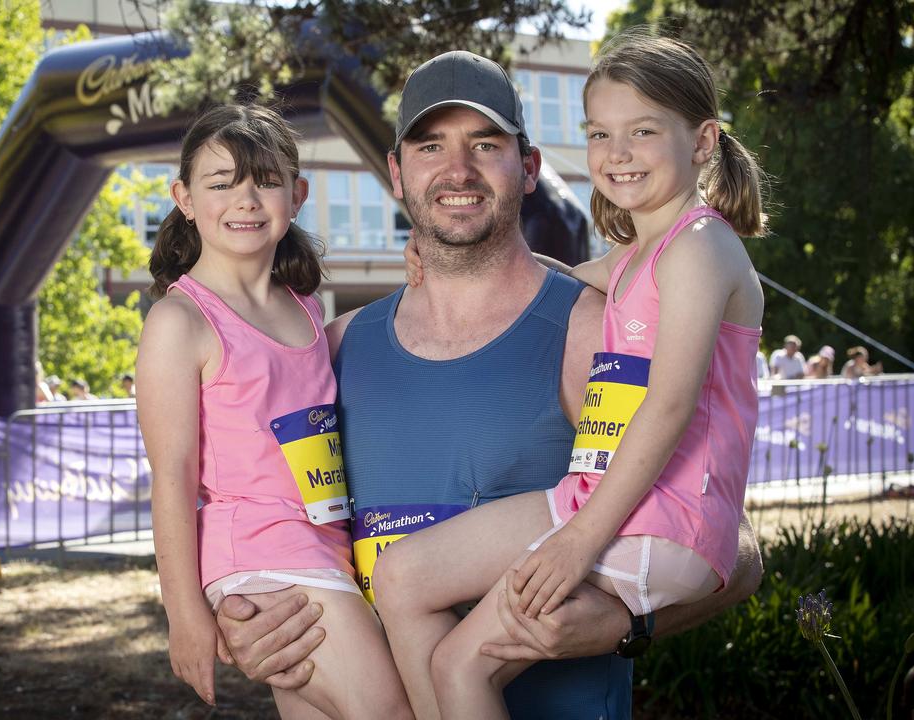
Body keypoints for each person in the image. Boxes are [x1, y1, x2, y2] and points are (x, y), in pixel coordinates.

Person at [216, 49, 762, 719]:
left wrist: (628, 625)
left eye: (485, 143)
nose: (457, 170)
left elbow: (728, 543)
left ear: (529, 167)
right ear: (395, 171)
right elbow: (258, 521)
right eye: (429, 146)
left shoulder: (592, 327)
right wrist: (233, 617)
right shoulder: (330, 352)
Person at [369, 34, 767, 718]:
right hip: (603, 502)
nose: (617, 152)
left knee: (462, 665)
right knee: (403, 579)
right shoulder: (641, 255)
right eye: (600, 133)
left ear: (703, 142)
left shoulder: (700, 247)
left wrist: (577, 543)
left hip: (653, 517)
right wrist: (435, 263)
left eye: (643, 131)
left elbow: (669, 407)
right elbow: (551, 277)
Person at [135, 104, 411, 719]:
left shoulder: (306, 308)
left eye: (265, 180)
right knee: (394, 711)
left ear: (297, 194)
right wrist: (184, 615)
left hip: (329, 547)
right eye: (222, 182)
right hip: (260, 557)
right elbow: (172, 475)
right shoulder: (179, 321)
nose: (246, 199)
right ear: (183, 197)